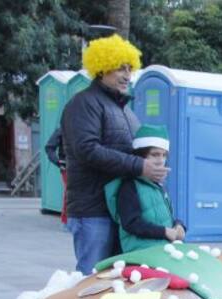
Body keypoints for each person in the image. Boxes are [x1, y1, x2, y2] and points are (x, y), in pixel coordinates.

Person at [60, 34, 162, 273]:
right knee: (91, 277)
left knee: (115, 278)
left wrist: (153, 162)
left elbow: (134, 152)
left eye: (129, 69)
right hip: (92, 210)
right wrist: (140, 166)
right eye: (120, 69)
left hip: (118, 210)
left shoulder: (125, 110)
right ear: (101, 68)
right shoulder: (84, 103)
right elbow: (87, 150)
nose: (127, 75)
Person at [104, 125, 185, 253]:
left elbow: (164, 219)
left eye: (164, 155)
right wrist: (164, 232)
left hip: (161, 247)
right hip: (140, 250)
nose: (161, 160)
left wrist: (179, 225)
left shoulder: (159, 186)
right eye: (155, 154)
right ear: (140, 157)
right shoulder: (129, 186)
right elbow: (131, 223)